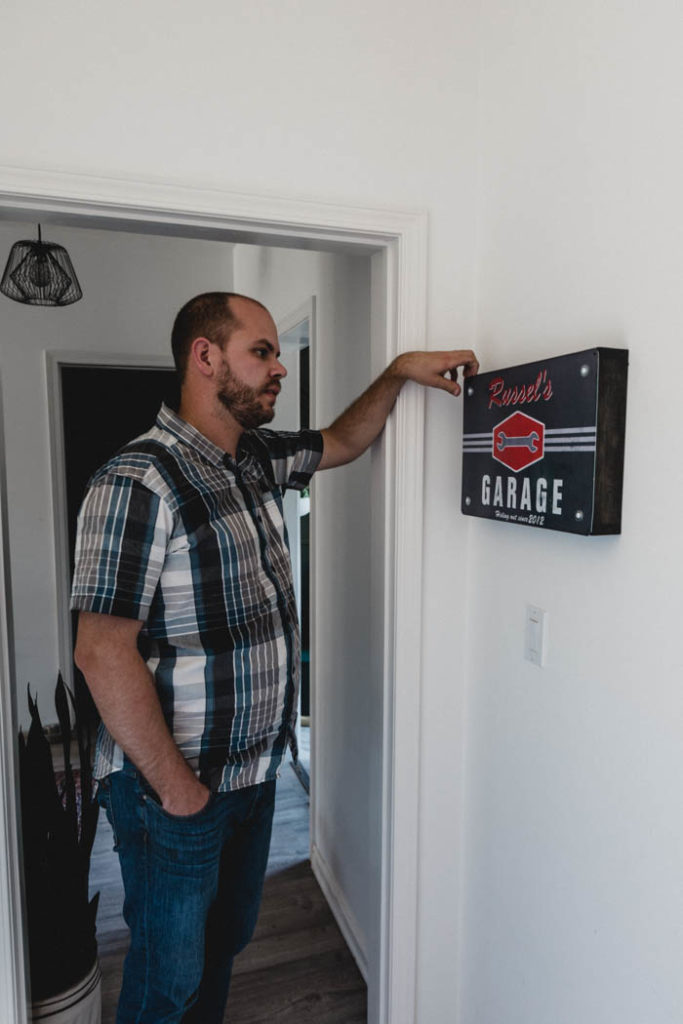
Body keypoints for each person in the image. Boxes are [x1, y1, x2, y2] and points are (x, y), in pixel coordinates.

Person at [71, 291, 478, 1023]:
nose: (278, 368)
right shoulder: (137, 481)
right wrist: (178, 790)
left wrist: (395, 373)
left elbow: (342, 441)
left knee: (221, 949)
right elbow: (101, 651)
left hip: (253, 777)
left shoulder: (252, 459)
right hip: (174, 792)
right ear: (205, 357)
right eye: (261, 351)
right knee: (166, 982)